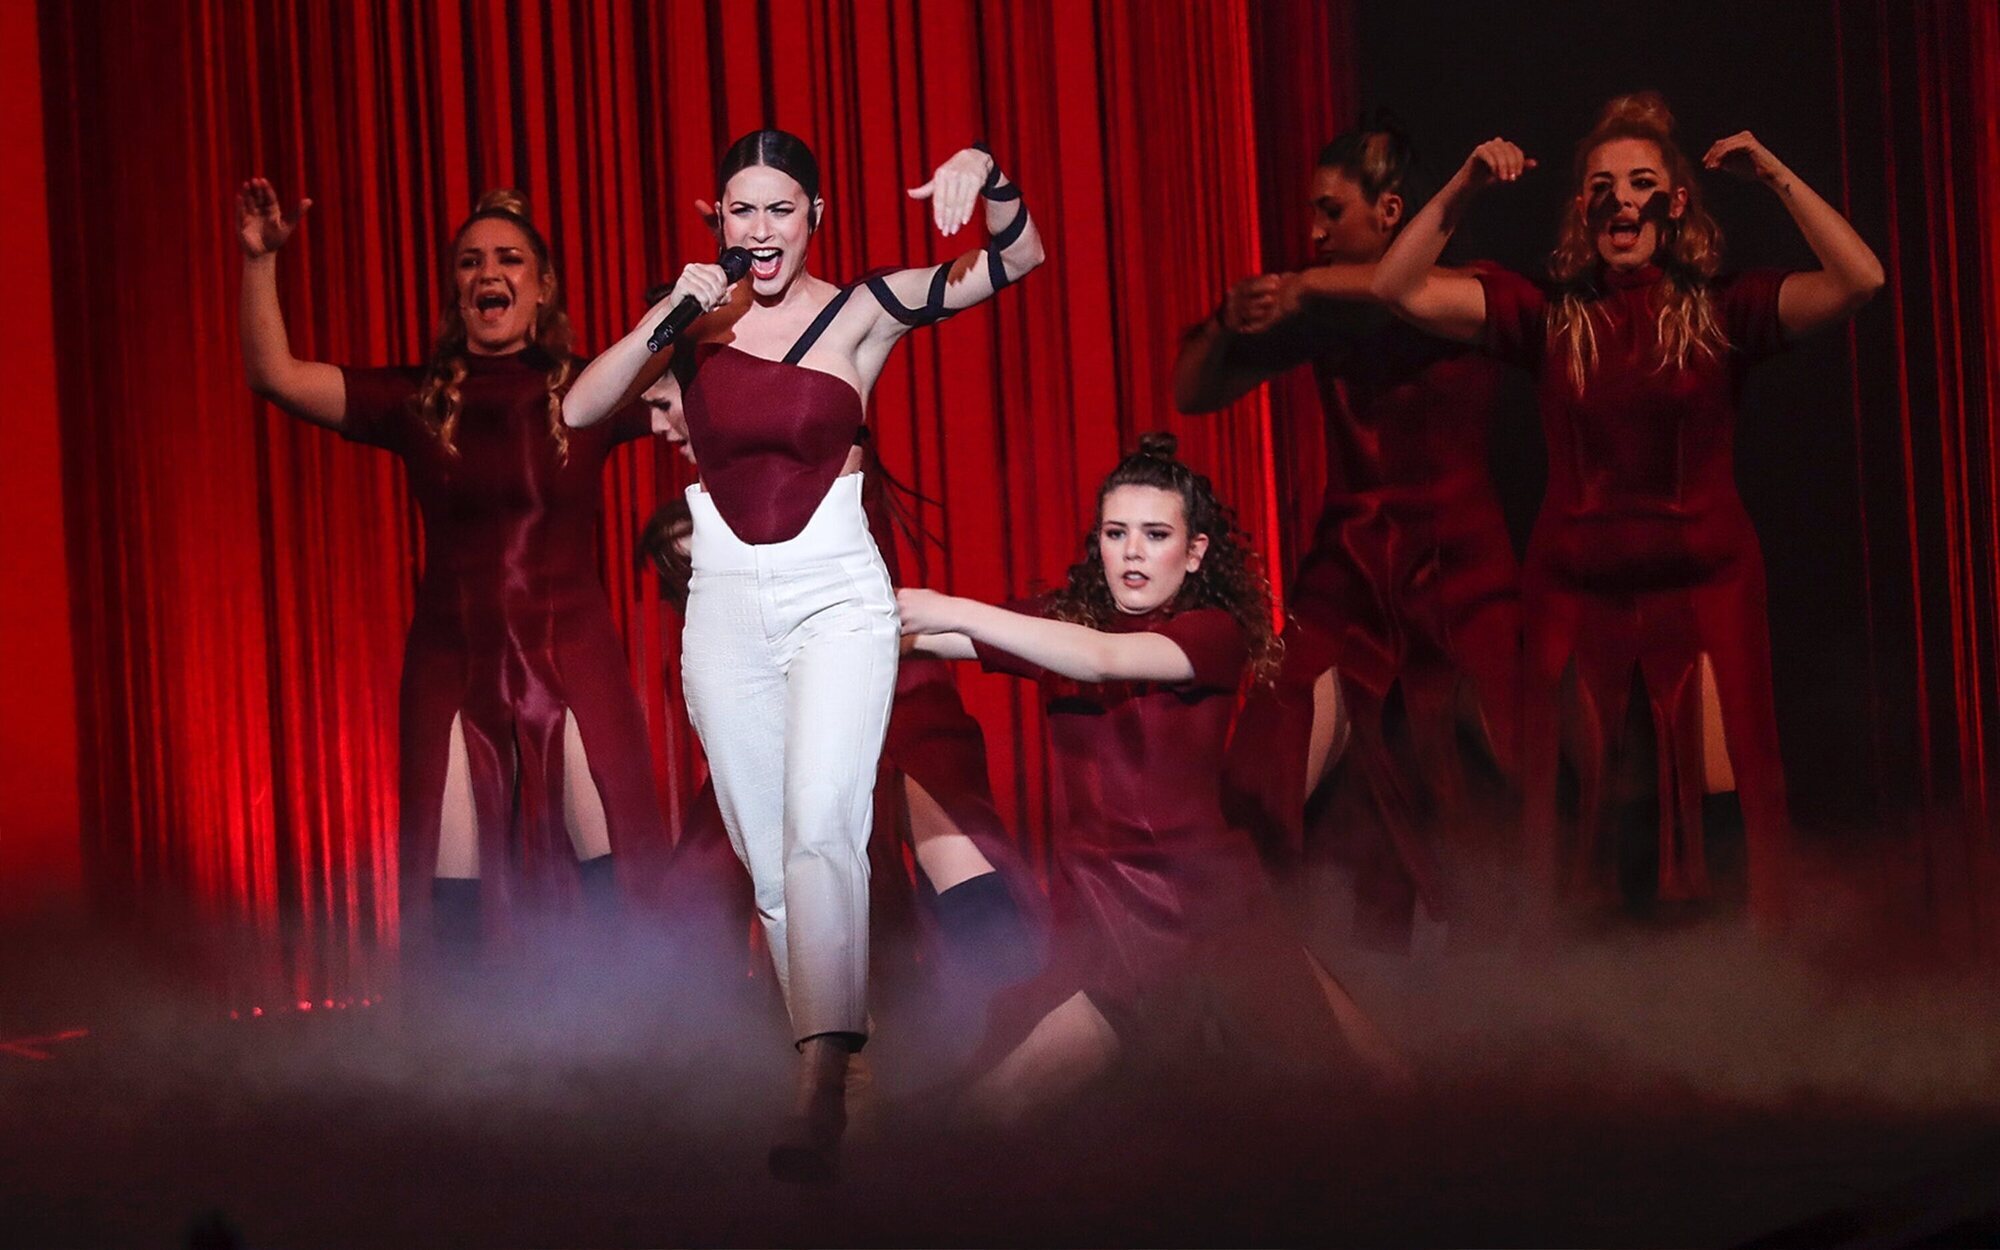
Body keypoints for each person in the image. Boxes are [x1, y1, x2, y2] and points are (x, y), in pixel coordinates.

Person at [564, 128, 1043, 1179]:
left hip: (836, 593)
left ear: (814, 216)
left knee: (824, 822)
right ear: (718, 220)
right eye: (741, 210)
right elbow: (581, 406)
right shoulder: (694, 329)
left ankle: (816, 1078)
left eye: (780, 209)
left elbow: (1019, 258)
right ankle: (847, 1077)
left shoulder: (862, 310)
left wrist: (990, 176)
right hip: (726, 604)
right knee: (772, 856)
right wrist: (666, 315)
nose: (761, 229)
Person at [1370, 93, 1884, 925]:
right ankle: (1598, 985)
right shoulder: (1548, 315)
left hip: (1706, 587)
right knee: (1589, 821)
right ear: (1584, 207)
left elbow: (1862, 280)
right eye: (1603, 186)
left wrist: (1773, 175)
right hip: (1577, 595)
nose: (1623, 200)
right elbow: (1397, 288)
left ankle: (1734, 979)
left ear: (1675, 203)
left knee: (1722, 810)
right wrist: (1466, 184)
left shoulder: (1721, 312)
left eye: (1643, 183)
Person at [900, 434, 1404, 1126]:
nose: (1133, 551)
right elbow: (935, 638)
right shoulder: (1060, 626)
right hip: (1103, 909)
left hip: (1205, 908)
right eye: (1116, 533)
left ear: (1194, 552)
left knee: (1374, 1088)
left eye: (1155, 534)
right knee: (995, 1108)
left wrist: (951, 608)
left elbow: (1101, 659)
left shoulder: (1212, 632)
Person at [236, 181, 666, 959]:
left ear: (542, 287)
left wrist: (736, 280)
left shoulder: (588, 389)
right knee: (452, 889)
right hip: (453, 662)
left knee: (615, 869)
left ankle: (632, 1026)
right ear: (456, 290)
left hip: (573, 652)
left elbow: (710, 375)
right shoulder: (415, 400)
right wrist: (259, 261)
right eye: (470, 262)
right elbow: (276, 376)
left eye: (508, 259)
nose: (487, 272)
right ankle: (466, 1037)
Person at [1175, 118, 1521, 948]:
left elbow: (1404, 289)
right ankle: (1271, 974)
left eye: (1331, 211)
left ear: (1391, 210)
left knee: (1492, 791)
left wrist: (1303, 286)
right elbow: (1194, 394)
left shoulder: (1471, 291)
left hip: (1458, 579)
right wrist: (1227, 318)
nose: (1316, 230)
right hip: (1349, 575)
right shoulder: (1324, 313)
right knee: (1261, 773)